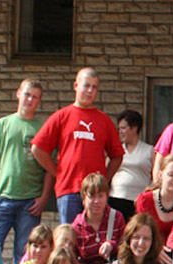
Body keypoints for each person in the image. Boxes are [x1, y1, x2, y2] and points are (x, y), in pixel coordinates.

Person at [31, 68, 124, 224]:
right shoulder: (61, 116)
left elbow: (117, 155)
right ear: (75, 85)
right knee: (69, 240)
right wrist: (57, 172)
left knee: (95, 238)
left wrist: (104, 180)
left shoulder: (104, 120)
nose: (90, 91)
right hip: (69, 190)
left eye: (94, 87)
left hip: (96, 193)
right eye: (86, 85)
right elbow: (38, 148)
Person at [0, 79, 52, 264]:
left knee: (26, 256)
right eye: (27, 94)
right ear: (18, 93)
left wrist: (44, 197)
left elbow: (49, 167)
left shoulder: (42, 128)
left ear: (39, 101)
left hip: (30, 203)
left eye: (35, 97)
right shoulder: (3, 124)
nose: (30, 100)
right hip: (2, 199)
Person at [72, 173, 125, 264]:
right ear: (83, 199)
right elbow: (69, 255)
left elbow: (126, 246)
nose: (96, 201)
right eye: (91, 196)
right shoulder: (76, 227)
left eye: (100, 196)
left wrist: (112, 245)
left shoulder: (116, 217)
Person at [134, 153, 173, 258]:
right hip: (149, 253)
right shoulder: (145, 200)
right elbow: (140, 233)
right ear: (161, 175)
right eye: (171, 174)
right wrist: (156, 250)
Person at [109, 109, 154, 220]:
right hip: (115, 198)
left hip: (138, 201)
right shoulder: (116, 150)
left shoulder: (149, 150)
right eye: (119, 128)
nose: (120, 132)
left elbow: (156, 176)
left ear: (134, 127)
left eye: (124, 128)